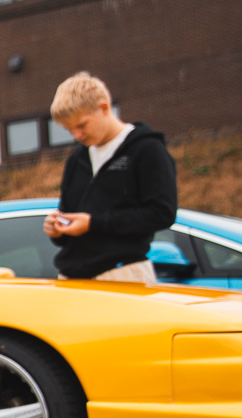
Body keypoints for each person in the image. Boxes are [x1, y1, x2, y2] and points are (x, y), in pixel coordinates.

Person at [43, 72, 176, 282]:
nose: (76, 135)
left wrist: (93, 223)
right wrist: (57, 230)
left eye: (81, 125)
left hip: (123, 273)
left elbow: (162, 214)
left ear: (104, 108)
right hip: (72, 278)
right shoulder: (76, 160)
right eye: (69, 130)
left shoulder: (146, 149)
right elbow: (70, 220)